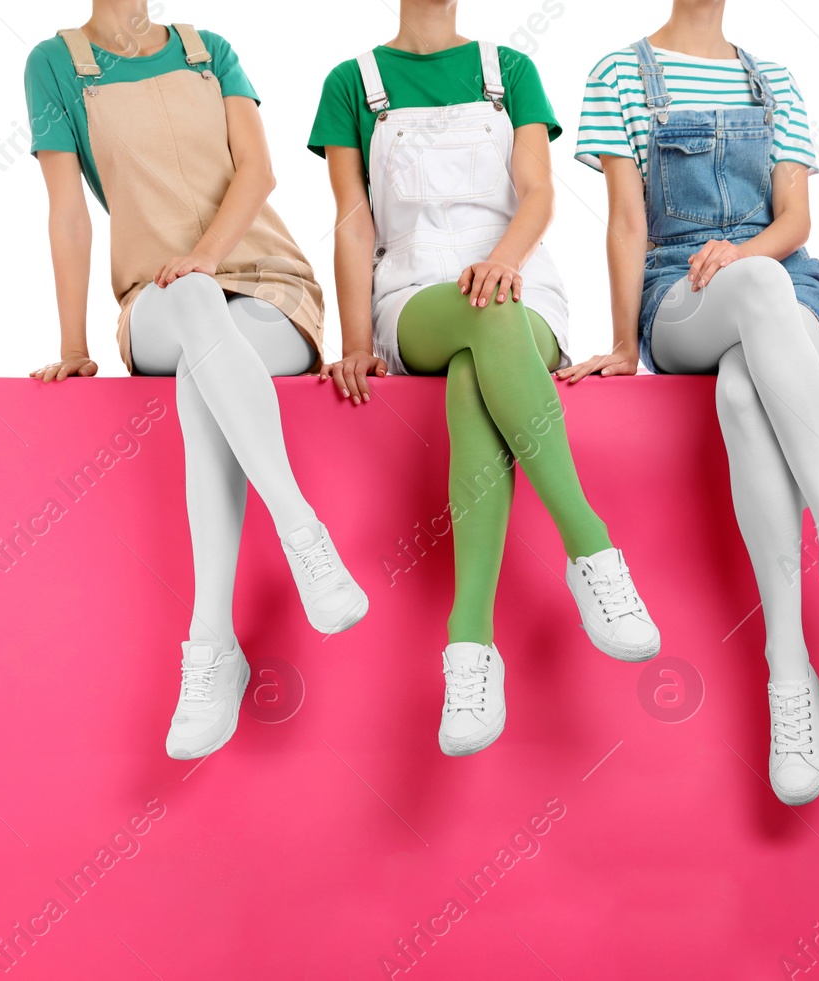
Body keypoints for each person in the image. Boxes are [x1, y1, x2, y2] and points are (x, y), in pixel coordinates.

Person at [566, 0, 819, 805]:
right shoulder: (619, 73)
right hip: (682, 293)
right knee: (750, 289)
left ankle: (788, 673)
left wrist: (745, 254)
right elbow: (626, 223)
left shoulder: (776, 81)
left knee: (740, 390)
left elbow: (794, 220)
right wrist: (625, 343)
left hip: (784, 282)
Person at [310, 0, 659, 757]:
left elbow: (538, 193)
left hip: (522, 281)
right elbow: (353, 219)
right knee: (478, 322)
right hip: (414, 294)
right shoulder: (351, 82)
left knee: (481, 359)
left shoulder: (512, 71)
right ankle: (591, 549)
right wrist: (358, 340)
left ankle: (470, 645)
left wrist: (503, 261)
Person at [24, 3, 366, 761]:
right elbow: (68, 213)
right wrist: (74, 343)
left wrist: (208, 257)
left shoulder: (209, 50)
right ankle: (300, 529)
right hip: (154, 300)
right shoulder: (56, 64)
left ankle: (211, 642)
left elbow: (260, 171)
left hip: (269, 287)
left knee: (199, 371)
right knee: (192, 306)